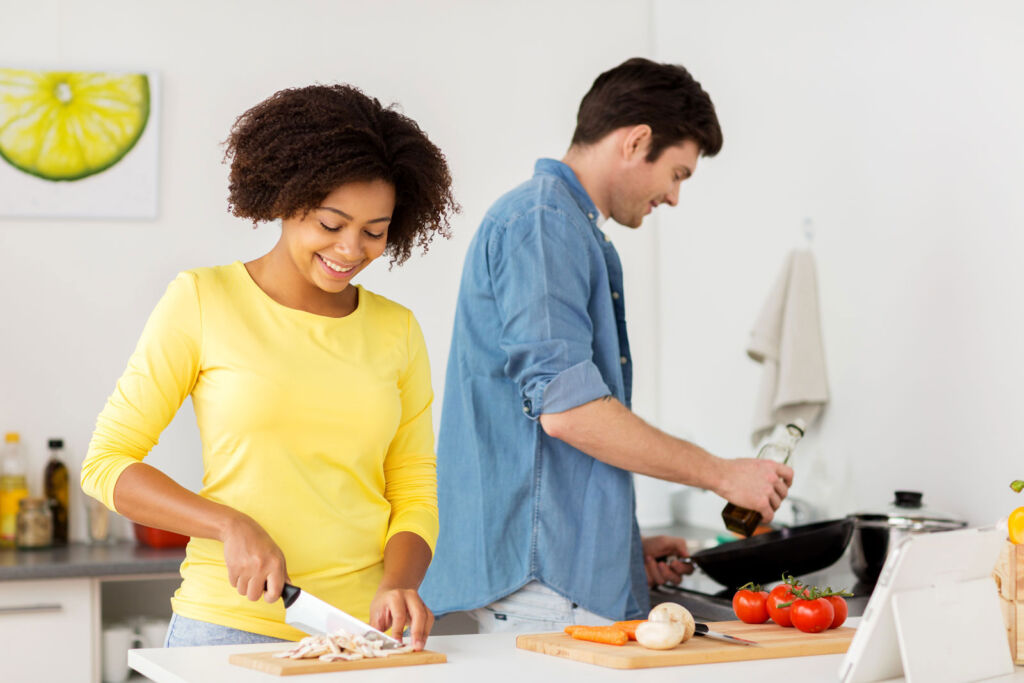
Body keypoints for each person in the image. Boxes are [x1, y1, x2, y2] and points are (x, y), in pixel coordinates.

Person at [419, 58, 794, 631]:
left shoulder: (565, 228)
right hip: (538, 588)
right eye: (678, 174)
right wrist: (723, 474)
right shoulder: (544, 223)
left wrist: (620, 545)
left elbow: (548, 449)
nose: (673, 198)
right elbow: (567, 413)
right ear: (637, 140)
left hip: (552, 577)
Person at [81, 84, 458, 649]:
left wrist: (401, 582)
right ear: (286, 198)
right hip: (226, 629)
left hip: (358, 636)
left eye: (374, 232)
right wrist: (230, 524)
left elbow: (413, 491)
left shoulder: (396, 329)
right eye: (331, 225)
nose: (351, 250)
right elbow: (107, 463)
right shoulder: (204, 300)